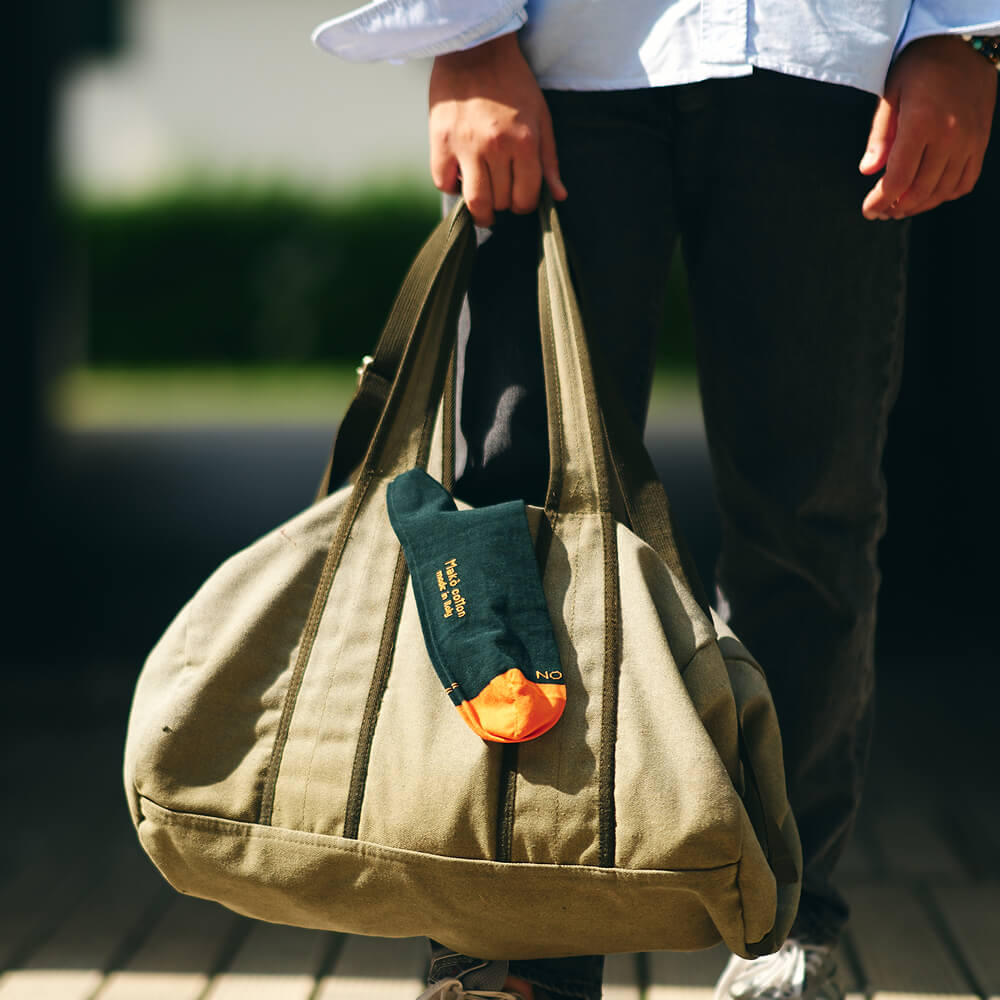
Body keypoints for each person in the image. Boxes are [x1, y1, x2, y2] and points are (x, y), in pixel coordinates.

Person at [312, 5, 1000, 1000]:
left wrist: (967, 31)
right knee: (521, 513)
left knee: (809, 521)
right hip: (563, 56)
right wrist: (465, 36)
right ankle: (516, 948)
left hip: (825, 56)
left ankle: (785, 931)